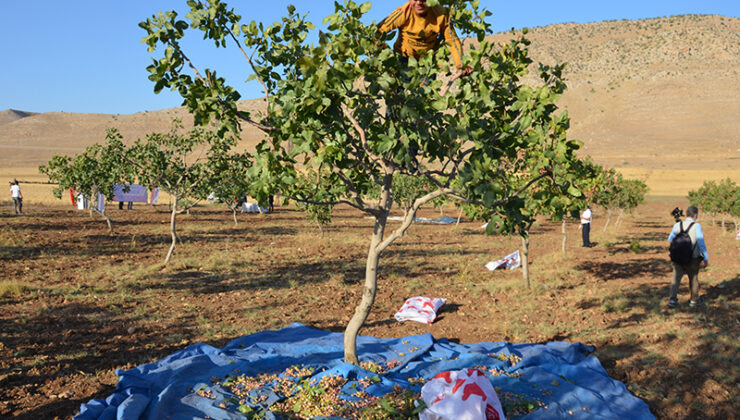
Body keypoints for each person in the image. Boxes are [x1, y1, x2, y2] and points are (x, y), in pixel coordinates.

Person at [377, 0, 472, 76]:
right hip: (403, 60)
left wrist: (460, 64)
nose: (419, 2)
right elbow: (377, 33)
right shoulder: (402, 13)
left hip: (428, 62)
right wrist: (387, 61)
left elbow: (452, 39)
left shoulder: (441, 14)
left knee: (426, 98)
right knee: (403, 96)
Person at [667, 205, 708, 308]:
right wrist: (705, 257)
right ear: (695, 215)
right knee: (693, 278)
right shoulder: (696, 226)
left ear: (686, 214)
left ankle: (672, 300)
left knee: (675, 279)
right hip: (692, 258)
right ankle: (694, 301)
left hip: (677, 257)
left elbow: (670, 239)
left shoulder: (677, 225)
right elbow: (701, 242)